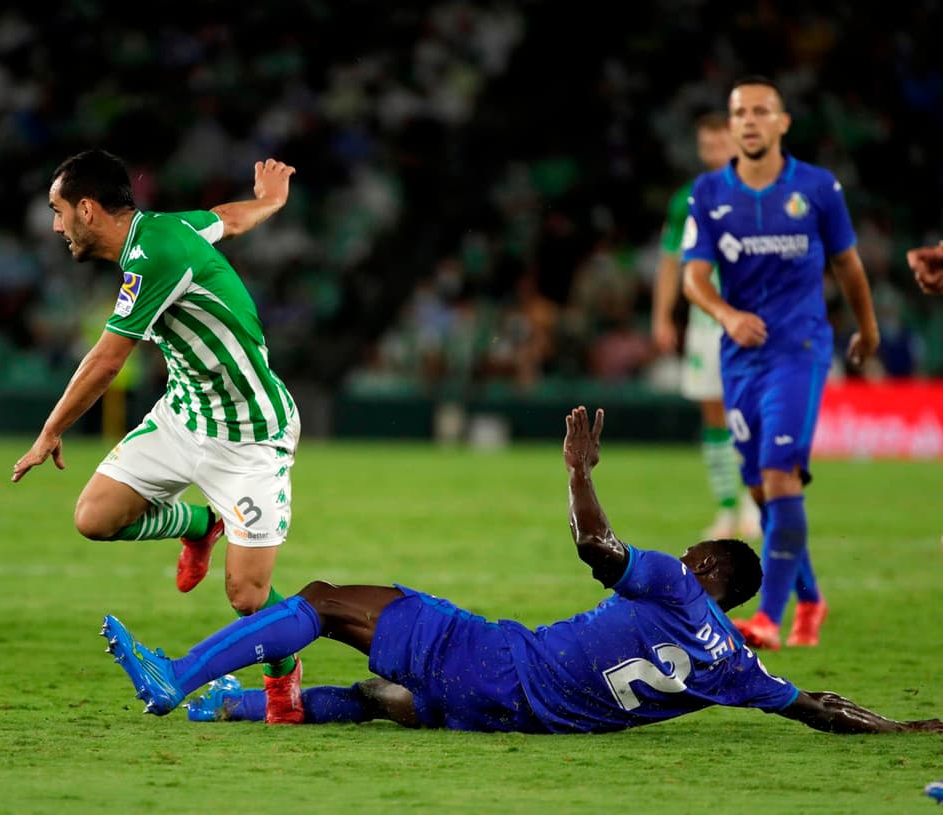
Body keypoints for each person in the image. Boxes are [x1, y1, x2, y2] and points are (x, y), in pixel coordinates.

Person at [101, 407, 942, 735]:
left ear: (711, 565)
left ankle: (180, 675)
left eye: (697, 551)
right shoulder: (738, 663)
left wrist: (579, 469)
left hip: (499, 661)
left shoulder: (678, 584)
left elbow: (596, 551)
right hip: (513, 714)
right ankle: (230, 706)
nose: (686, 553)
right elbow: (818, 707)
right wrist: (906, 729)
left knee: (322, 600)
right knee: (376, 698)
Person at [10, 150, 306, 723]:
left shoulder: (154, 255)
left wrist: (49, 432)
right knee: (93, 518)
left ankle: (281, 677)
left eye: (58, 210)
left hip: (250, 436)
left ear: (88, 210)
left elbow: (105, 361)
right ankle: (200, 523)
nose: (54, 225)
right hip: (185, 416)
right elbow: (226, 217)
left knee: (247, 596)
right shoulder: (163, 231)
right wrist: (268, 201)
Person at [681, 76, 879, 650]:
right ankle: (812, 600)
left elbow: (848, 266)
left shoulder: (816, 188)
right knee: (766, 491)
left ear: (782, 123)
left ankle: (768, 617)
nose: (748, 120)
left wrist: (867, 330)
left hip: (800, 351)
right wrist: (725, 314)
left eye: (761, 111)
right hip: (740, 355)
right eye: (739, 111)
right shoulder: (709, 192)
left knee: (776, 474)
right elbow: (693, 276)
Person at [651, 111, 759, 540]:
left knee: (752, 411)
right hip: (703, 322)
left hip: (749, 319)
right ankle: (727, 508)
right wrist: (662, 314)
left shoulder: (758, 194)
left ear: (736, 144)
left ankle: (755, 504)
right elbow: (669, 262)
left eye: (721, 144)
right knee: (713, 411)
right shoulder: (687, 200)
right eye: (707, 145)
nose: (714, 152)